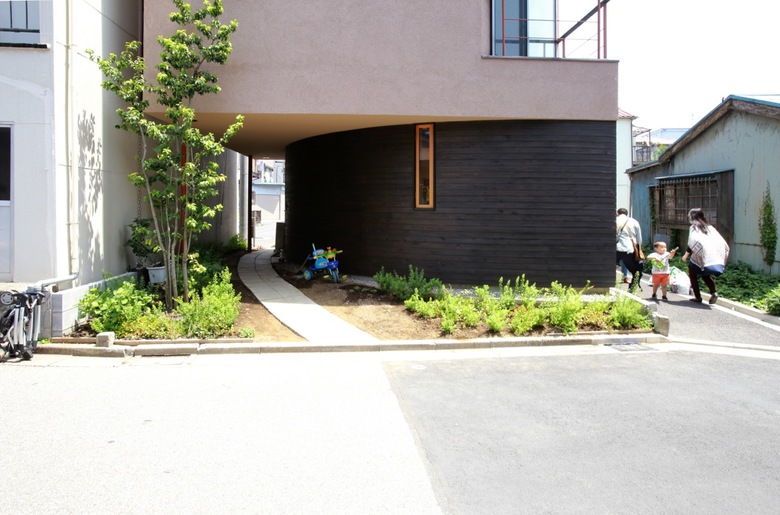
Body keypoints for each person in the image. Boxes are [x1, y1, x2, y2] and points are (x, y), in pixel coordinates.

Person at [681, 208, 730, 304]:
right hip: (709, 256)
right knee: (705, 275)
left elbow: (692, 243)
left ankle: (697, 297)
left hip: (698, 256)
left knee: (692, 275)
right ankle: (714, 292)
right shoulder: (710, 227)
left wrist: (686, 255)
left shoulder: (693, 228)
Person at [615, 208, 643, 292]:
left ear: (617, 213)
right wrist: (639, 249)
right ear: (627, 214)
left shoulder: (614, 220)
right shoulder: (634, 221)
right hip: (629, 249)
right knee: (636, 271)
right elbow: (639, 238)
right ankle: (631, 289)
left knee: (608, 267)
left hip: (616, 248)